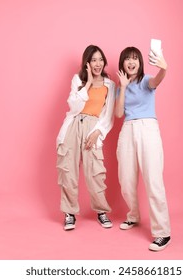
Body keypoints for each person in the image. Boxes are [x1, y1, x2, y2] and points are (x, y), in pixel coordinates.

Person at [115, 46, 171, 251]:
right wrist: (122, 87)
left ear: (140, 62)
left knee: (153, 180)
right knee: (126, 179)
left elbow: (157, 80)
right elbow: (119, 113)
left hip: (148, 128)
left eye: (135, 59)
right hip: (128, 129)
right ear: (122, 63)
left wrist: (164, 69)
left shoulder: (146, 80)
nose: (131, 62)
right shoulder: (120, 86)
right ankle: (133, 216)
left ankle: (162, 232)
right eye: (127, 59)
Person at [56, 45, 115, 231]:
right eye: (93, 60)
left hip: (93, 127)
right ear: (87, 63)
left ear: (104, 61)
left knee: (95, 171)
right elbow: (73, 106)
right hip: (73, 126)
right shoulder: (78, 80)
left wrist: (98, 132)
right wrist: (88, 83)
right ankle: (69, 213)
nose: (97, 64)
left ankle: (101, 211)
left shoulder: (109, 84)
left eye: (100, 59)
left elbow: (109, 114)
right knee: (68, 171)